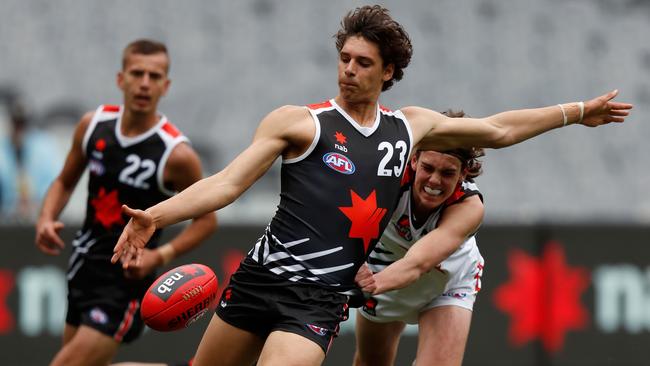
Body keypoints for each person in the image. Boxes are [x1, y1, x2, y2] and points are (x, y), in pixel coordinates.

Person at [112, 5, 632, 366]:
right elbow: (226, 184)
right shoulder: (299, 122)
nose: (349, 71)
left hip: (317, 302)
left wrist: (577, 112)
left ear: (388, 73)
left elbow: (498, 129)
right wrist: (155, 216)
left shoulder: (410, 126)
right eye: (345, 59)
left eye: (364, 63)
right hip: (257, 280)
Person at [35, 39, 217, 366]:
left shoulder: (176, 154)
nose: (145, 83)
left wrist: (159, 256)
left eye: (155, 76)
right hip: (84, 265)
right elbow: (64, 181)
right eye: (137, 73)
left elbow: (207, 220)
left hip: (126, 281)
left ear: (166, 85)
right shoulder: (92, 126)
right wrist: (47, 217)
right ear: (121, 79)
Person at [353, 110, 485, 366]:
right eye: (428, 168)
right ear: (413, 159)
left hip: (447, 281)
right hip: (384, 268)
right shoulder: (386, 182)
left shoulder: (469, 207)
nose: (434, 181)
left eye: (448, 173)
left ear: (463, 174)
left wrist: (362, 287)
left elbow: (418, 263)